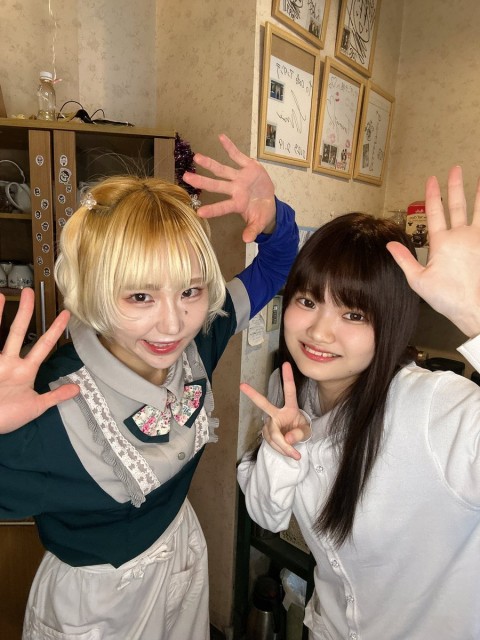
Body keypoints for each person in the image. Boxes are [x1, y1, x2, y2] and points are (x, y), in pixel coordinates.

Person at [0, 134, 299, 640]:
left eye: (190, 290)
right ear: (94, 290)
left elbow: (275, 263)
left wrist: (271, 217)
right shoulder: (49, 408)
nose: (172, 324)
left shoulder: (203, 335)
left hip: (181, 548)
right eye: (140, 296)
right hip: (96, 600)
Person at [238, 165, 480, 640]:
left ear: (391, 322)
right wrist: (279, 452)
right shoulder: (291, 391)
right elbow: (266, 515)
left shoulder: (437, 409)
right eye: (308, 301)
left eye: (352, 313)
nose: (319, 331)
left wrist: (475, 317)